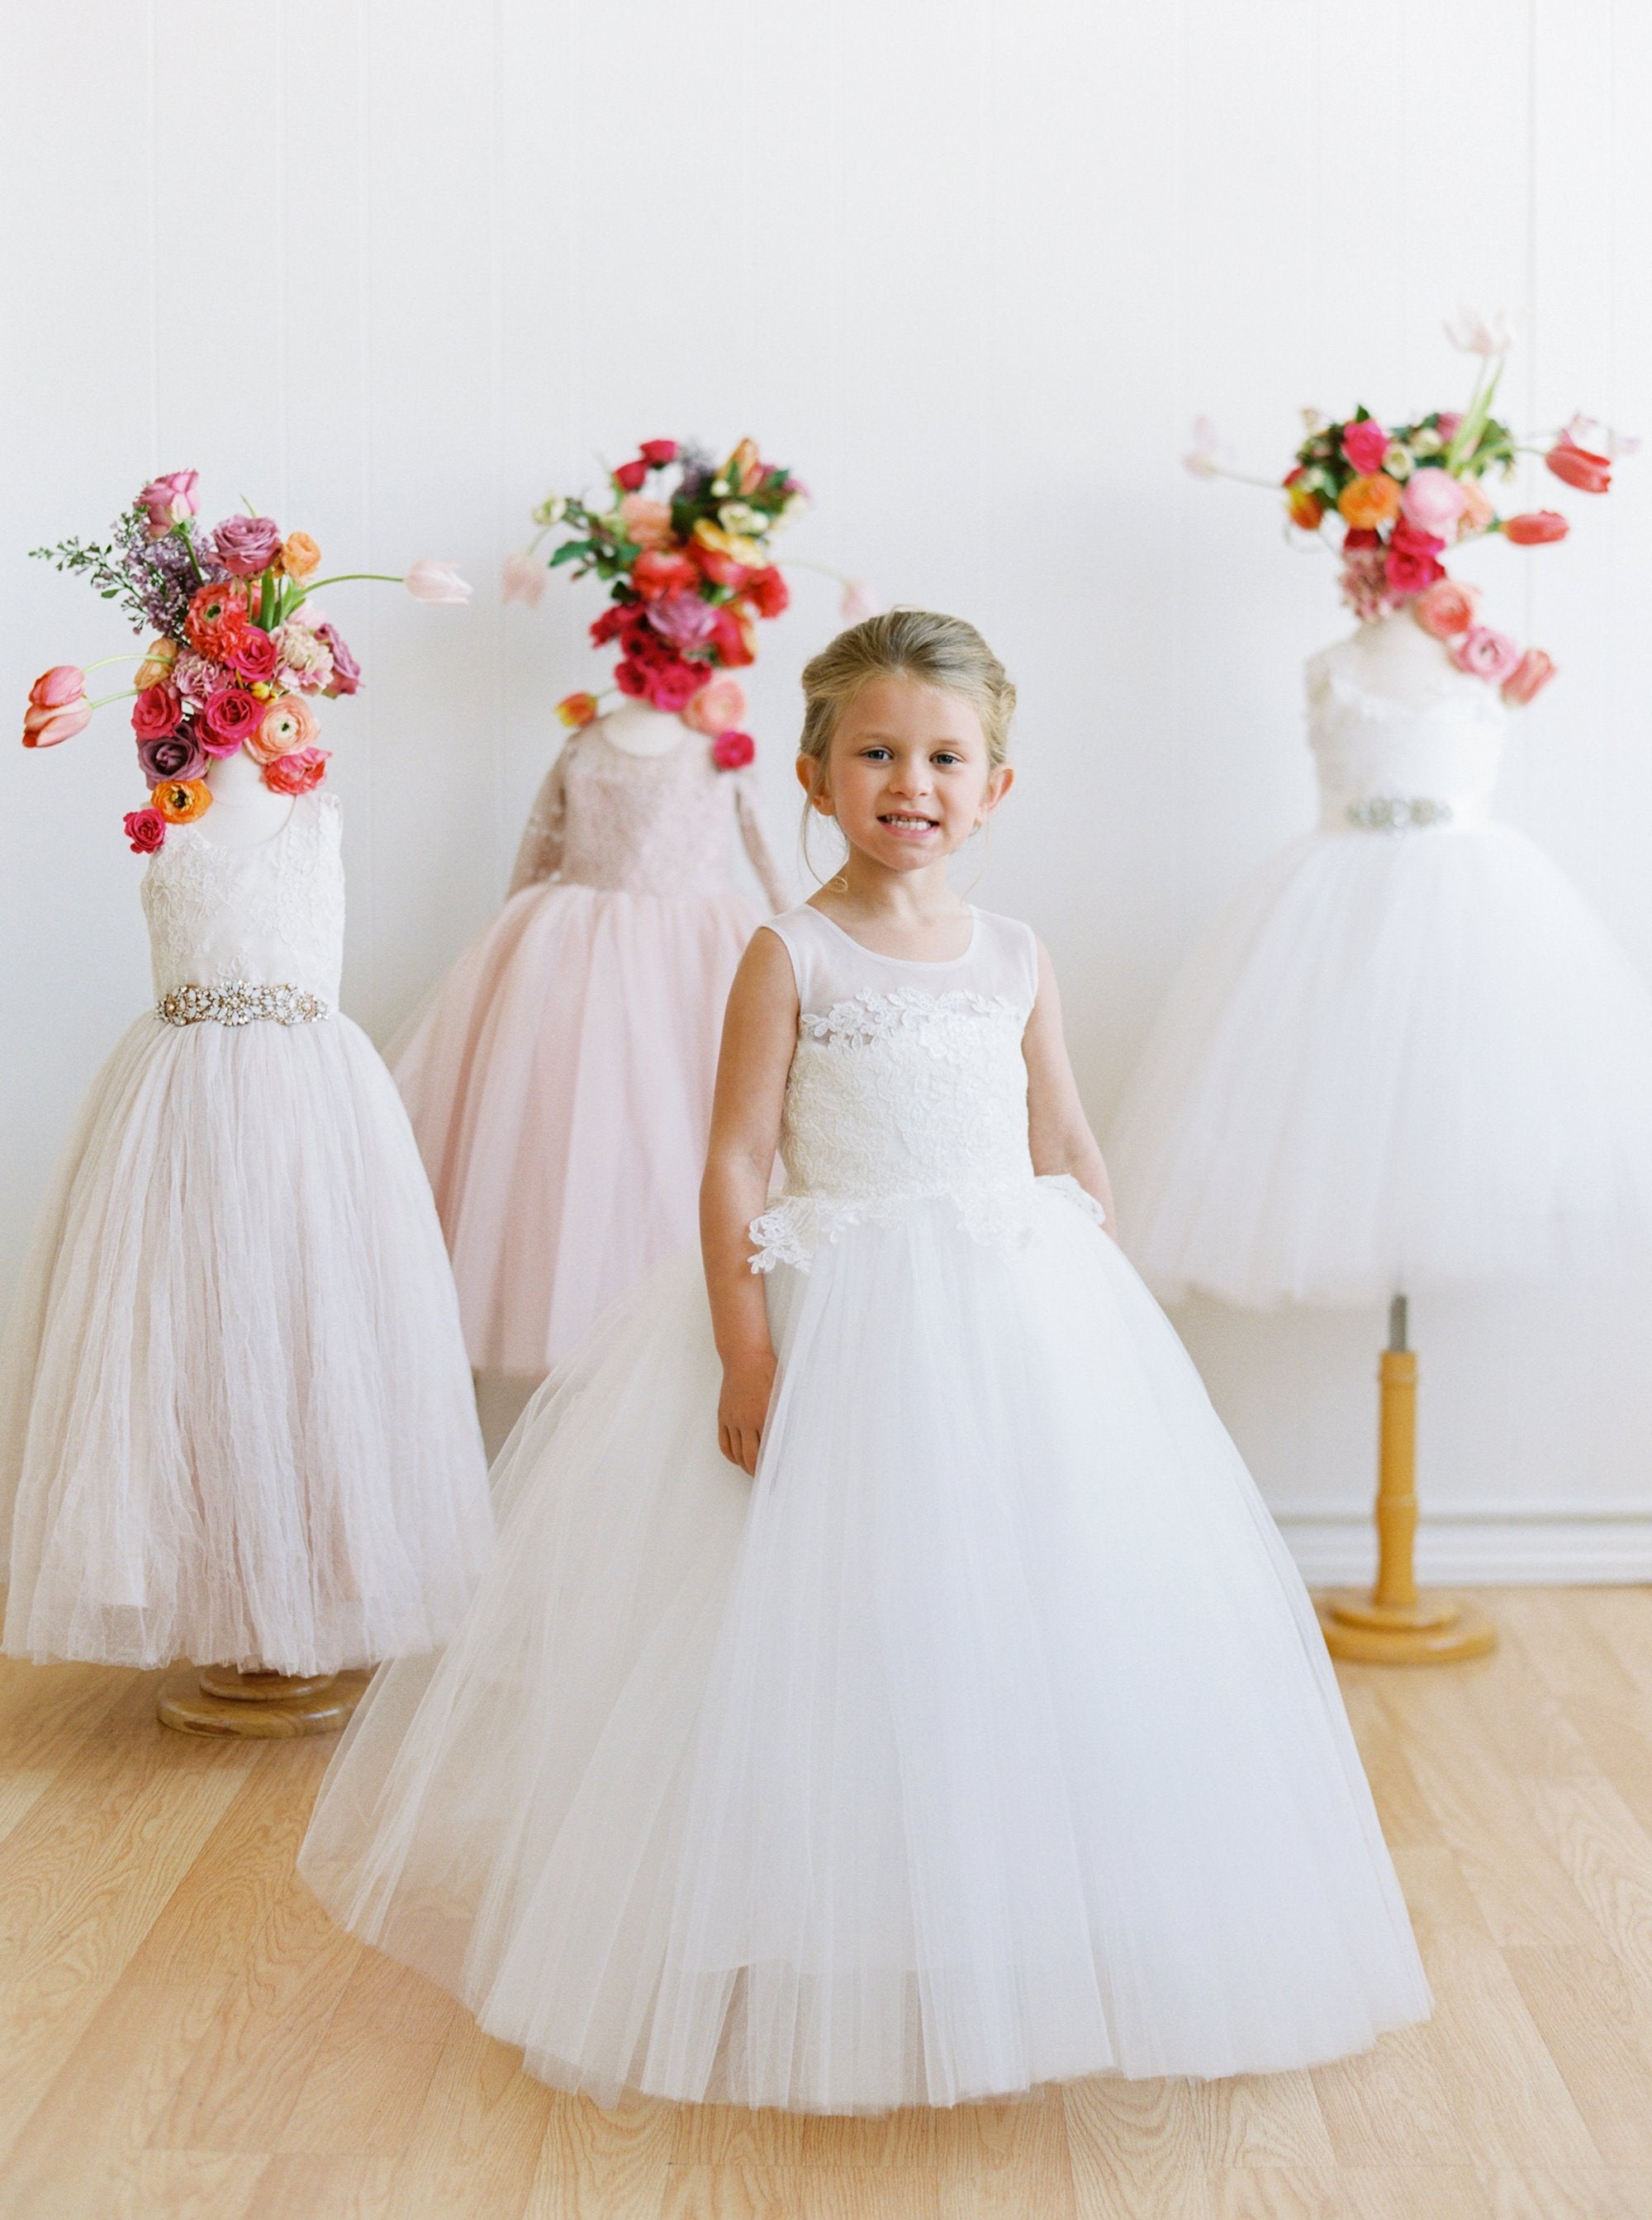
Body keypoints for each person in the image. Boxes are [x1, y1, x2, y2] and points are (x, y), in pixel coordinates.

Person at [299, 610, 1431, 2113]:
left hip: (1015, 1320)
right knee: (819, 1621)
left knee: (1017, 1612)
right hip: (837, 1317)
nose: (914, 784)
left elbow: (1064, 1134)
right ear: (813, 776)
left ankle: (1010, 1908)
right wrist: (744, 1349)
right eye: (879, 754)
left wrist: (1109, 1312)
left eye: (947, 759)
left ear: (998, 786)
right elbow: (733, 1160)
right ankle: (800, 1912)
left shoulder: (1017, 955)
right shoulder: (790, 951)